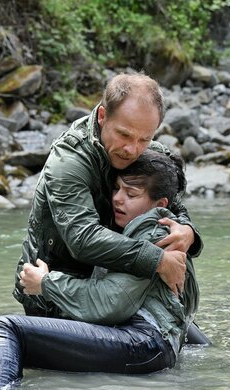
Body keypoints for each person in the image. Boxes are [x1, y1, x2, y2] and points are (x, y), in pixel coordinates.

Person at [0, 150, 199, 390]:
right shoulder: (156, 223)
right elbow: (178, 312)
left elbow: (109, 303)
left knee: (3, 328)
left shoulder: (156, 229)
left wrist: (47, 283)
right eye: (117, 188)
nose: (117, 199)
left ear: (158, 203)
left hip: (143, 345)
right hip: (141, 343)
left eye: (131, 195)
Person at [12, 72, 203, 319]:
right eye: (124, 135)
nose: (132, 149)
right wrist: (158, 260)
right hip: (53, 293)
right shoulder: (68, 162)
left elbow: (174, 206)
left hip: (118, 287)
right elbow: (83, 239)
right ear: (102, 116)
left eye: (144, 138)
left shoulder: (148, 152)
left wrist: (188, 233)